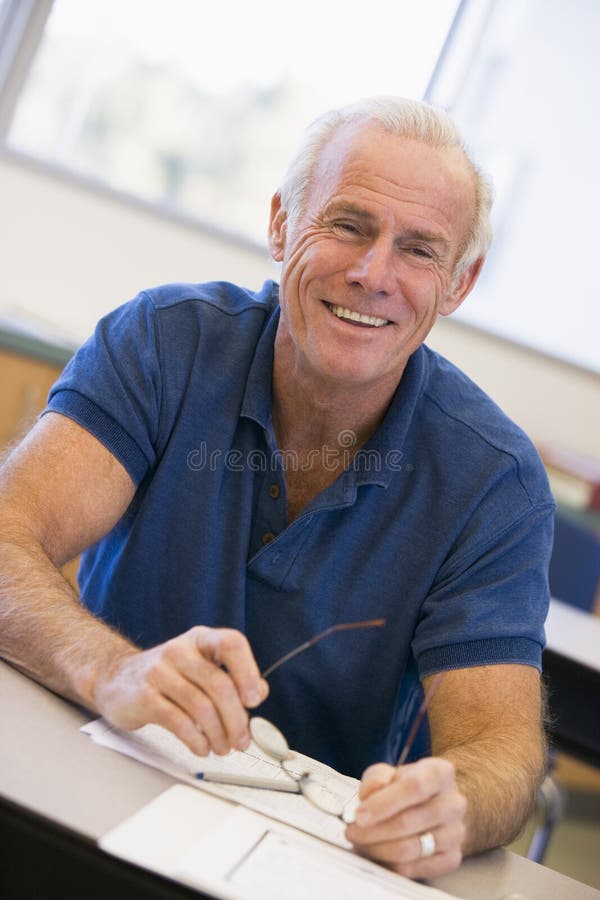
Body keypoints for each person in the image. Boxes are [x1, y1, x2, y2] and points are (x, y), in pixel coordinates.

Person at [0, 96, 554, 880]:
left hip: (308, 864)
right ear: (281, 225)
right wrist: (108, 668)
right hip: (84, 788)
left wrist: (453, 802)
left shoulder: (492, 481)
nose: (372, 274)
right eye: (349, 225)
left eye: (420, 251)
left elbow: (501, 748)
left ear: (459, 284)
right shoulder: (163, 343)